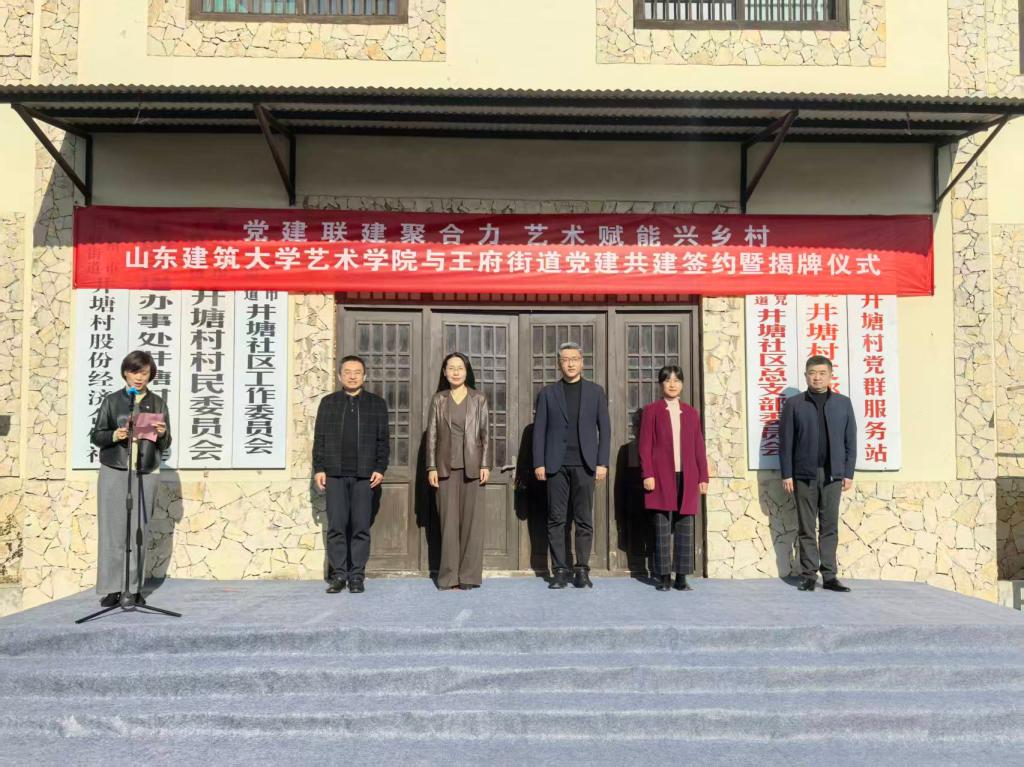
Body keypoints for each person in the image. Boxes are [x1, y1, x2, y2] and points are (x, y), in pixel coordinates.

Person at [89, 350, 171, 607]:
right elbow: (97, 435)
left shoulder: (157, 403)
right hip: (115, 470)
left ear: (151, 375)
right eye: (135, 372)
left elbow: (166, 443)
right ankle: (112, 588)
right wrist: (116, 434)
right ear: (125, 372)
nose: (139, 377)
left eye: (144, 373)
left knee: (138, 532)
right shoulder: (112, 401)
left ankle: (134, 589)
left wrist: (162, 433)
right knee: (112, 531)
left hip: (145, 471)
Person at [533, 341, 610, 589]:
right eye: (565, 360)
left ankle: (582, 570)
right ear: (559, 364)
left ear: (582, 362)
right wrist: (539, 463)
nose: (570, 364)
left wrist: (602, 462)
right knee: (556, 519)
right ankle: (560, 570)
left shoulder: (595, 392)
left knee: (584, 519)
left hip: (586, 464)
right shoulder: (548, 393)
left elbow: (605, 429)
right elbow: (539, 431)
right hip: (556, 465)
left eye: (574, 359)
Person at [779, 355, 857, 593]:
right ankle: (809, 575)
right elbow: (786, 443)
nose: (817, 377)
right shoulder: (794, 404)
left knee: (829, 525)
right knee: (806, 526)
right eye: (812, 373)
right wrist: (787, 474)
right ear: (806, 376)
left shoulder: (843, 403)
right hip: (804, 475)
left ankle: (830, 576)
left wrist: (848, 472)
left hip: (833, 474)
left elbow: (850, 441)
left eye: (822, 373)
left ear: (831, 376)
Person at [313, 355, 389, 594]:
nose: (352, 376)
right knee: (336, 526)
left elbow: (383, 441)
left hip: (364, 476)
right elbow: (319, 439)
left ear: (364, 376)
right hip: (334, 474)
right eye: (347, 372)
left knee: (360, 527)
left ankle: (356, 575)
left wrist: (380, 468)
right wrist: (319, 469)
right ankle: (339, 574)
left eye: (357, 372)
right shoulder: (328, 403)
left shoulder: (376, 404)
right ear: (339, 376)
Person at [638, 365, 709, 592]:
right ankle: (663, 576)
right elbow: (645, 445)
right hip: (661, 476)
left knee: (685, 527)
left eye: (677, 380)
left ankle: (681, 577)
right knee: (661, 527)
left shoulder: (690, 413)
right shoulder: (652, 411)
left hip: (688, 475)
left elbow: (698, 446)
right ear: (661, 383)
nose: (672, 384)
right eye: (668, 380)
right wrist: (648, 473)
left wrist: (703, 476)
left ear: (682, 384)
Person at [426, 352, 491, 590]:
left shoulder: (479, 398)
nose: (455, 372)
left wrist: (485, 464)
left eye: (460, 368)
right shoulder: (438, 399)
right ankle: (449, 577)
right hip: (445, 469)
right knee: (448, 525)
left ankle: (469, 577)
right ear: (444, 372)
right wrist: (431, 466)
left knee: (471, 525)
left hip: (472, 468)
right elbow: (432, 435)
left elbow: (485, 434)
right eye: (451, 368)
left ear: (467, 371)